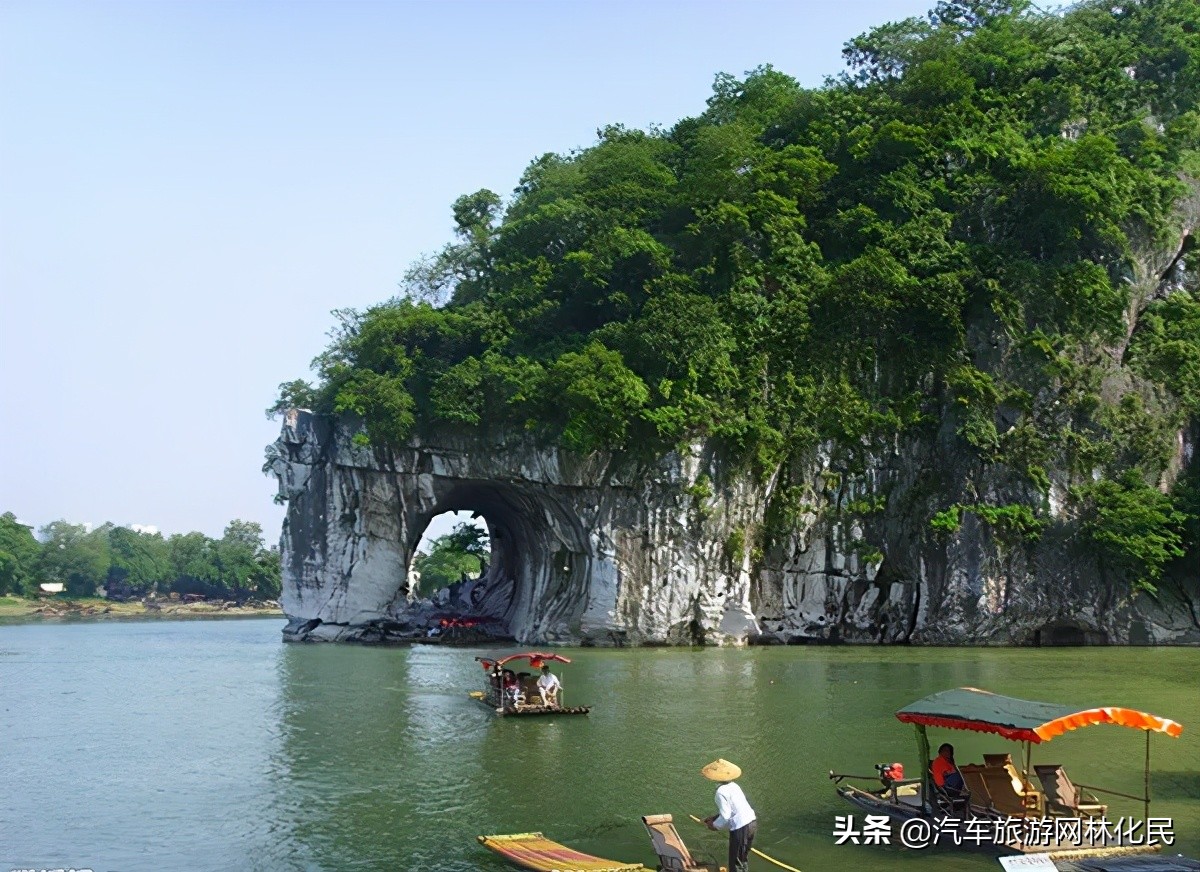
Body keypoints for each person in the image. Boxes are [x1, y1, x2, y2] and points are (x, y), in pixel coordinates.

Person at [701, 758, 757, 872]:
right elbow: (734, 808)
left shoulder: (720, 792)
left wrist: (714, 825)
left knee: (735, 863)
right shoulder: (734, 786)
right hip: (752, 823)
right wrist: (715, 818)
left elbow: (726, 816)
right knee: (742, 859)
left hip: (741, 828)